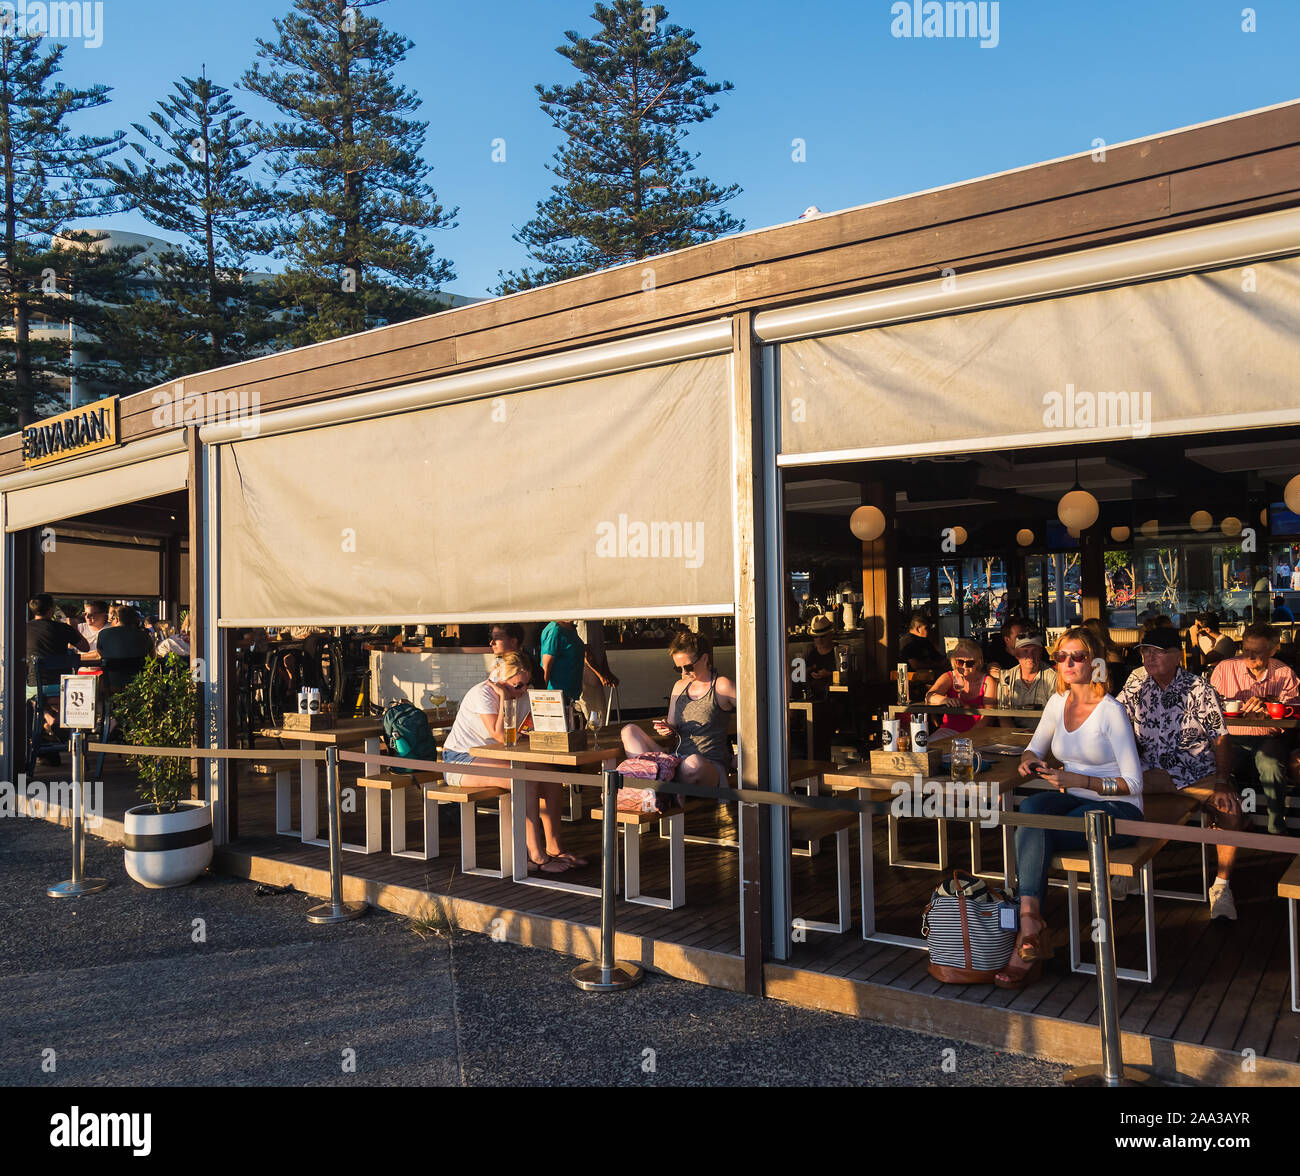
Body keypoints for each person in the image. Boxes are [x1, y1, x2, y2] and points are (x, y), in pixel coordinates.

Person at [997, 627, 1144, 988]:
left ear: (1094, 662)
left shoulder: (1111, 712)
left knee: (1037, 827)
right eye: (1060, 656)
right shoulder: (1056, 703)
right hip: (1072, 798)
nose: (1066, 663)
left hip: (1117, 806)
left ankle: (1026, 935)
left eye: (1076, 656)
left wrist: (1083, 782)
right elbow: (1035, 747)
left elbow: (1133, 785)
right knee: (1029, 810)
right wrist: (1030, 761)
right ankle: (1031, 921)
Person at [1119, 626, 1244, 919]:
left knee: (1231, 812)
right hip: (1152, 774)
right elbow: (1111, 725)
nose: (1149, 658)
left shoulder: (1200, 688)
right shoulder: (1135, 689)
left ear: (1177, 656)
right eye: (1145, 651)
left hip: (1196, 773)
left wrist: (1223, 782)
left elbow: (1221, 739)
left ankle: (1222, 886)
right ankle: (1126, 870)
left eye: (1157, 652)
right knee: (1112, 792)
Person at [440, 651, 586, 874]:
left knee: (552, 778)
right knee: (526, 782)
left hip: (497, 757)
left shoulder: (521, 695)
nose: (523, 690)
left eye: (527, 685)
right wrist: (505, 698)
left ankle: (554, 848)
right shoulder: (483, 693)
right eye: (518, 685)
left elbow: (526, 732)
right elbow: (500, 734)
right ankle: (536, 856)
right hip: (460, 759)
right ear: (500, 679)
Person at [1210, 623, 1300, 836]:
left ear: (1272, 650)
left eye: (1256, 652)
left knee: (1270, 762)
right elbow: (1208, 706)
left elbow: (1295, 710)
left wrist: (1269, 703)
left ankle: (1276, 825)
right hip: (1231, 739)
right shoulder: (1225, 668)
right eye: (1245, 650)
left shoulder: (1284, 673)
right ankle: (1234, 819)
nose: (1248, 656)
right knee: (1215, 761)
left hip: (1267, 738)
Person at [621, 630, 736, 788]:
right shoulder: (679, 686)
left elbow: (753, 716)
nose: (684, 673)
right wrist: (667, 729)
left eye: (688, 667)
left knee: (693, 763)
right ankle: (655, 781)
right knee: (629, 731)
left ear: (704, 658)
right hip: (676, 759)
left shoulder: (721, 685)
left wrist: (741, 757)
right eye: (678, 668)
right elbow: (673, 725)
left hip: (708, 764)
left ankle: (652, 782)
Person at [25, 593, 90, 760]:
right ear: (50, 610)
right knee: (57, 697)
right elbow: (85, 647)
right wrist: (74, 627)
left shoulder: (23, 629)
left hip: (35, 686)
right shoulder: (63, 628)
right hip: (64, 688)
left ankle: (48, 718)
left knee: (31, 697)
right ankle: (58, 720)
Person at [925, 638, 997, 733]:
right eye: (960, 662)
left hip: (978, 731)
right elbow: (929, 696)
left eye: (970, 663)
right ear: (954, 661)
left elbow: (989, 715)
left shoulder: (988, 681)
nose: (964, 666)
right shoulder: (949, 677)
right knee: (928, 747)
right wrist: (946, 700)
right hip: (949, 730)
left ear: (978, 662)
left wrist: (968, 736)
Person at [996, 632, 1057, 728]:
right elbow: (1003, 716)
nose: (1030, 656)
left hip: (1046, 734)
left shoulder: (1053, 677)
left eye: (1034, 651)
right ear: (1016, 654)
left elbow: (1056, 717)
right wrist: (1015, 738)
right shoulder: (1007, 677)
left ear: (1041, 652)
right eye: (1025, 651)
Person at [95, 605, 158, 692]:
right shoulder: (144, 635)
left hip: (112, 684)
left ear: (116, 619)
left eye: (112, 618)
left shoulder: (103, 634)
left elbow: (101, 653)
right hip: (140, 685)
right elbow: (152, 658)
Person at [538, 620, 586, 708]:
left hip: (570, 698)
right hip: (556, 699)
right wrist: (541, 702)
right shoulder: (555, 631)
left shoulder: (570, 628)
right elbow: (545, 667)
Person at [803, 614, 838, 700]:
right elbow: (802, 676)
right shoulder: (812, 654)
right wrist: (809, 671)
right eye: (816, 637)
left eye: (822, 636)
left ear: (830, 635)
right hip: (815, 696)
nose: (819, 640)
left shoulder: (839, 652)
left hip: (836, 697)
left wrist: (829, 674)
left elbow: (849, 676)